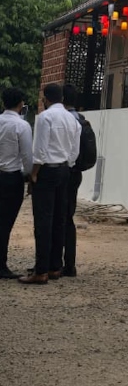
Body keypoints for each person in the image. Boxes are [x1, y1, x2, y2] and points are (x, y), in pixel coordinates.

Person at [19, 83, 81, 285]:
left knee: (43, 221)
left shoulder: (45, 117)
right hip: (65, 170)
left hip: (47, 171)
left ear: (45, 99)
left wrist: (34, 174)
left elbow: (40, 151)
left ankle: (41, 270)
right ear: (61, 98)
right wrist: (67, 165)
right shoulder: (73, 120)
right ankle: (55, 267)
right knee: (59, 219)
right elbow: (74, 152)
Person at [0, 88, 33, 279]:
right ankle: (1, 264)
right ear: (21, 104)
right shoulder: (22, 126)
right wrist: (30, 175)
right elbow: (27, 156)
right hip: (11, 178)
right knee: (5, 222)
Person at [60, 83, 85, 277]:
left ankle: (56, 263)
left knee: (58, 217)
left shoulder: (65, 119)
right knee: (68, 217)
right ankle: (70, 264)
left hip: (64, 172)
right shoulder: (81, 119)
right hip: (76, 173)